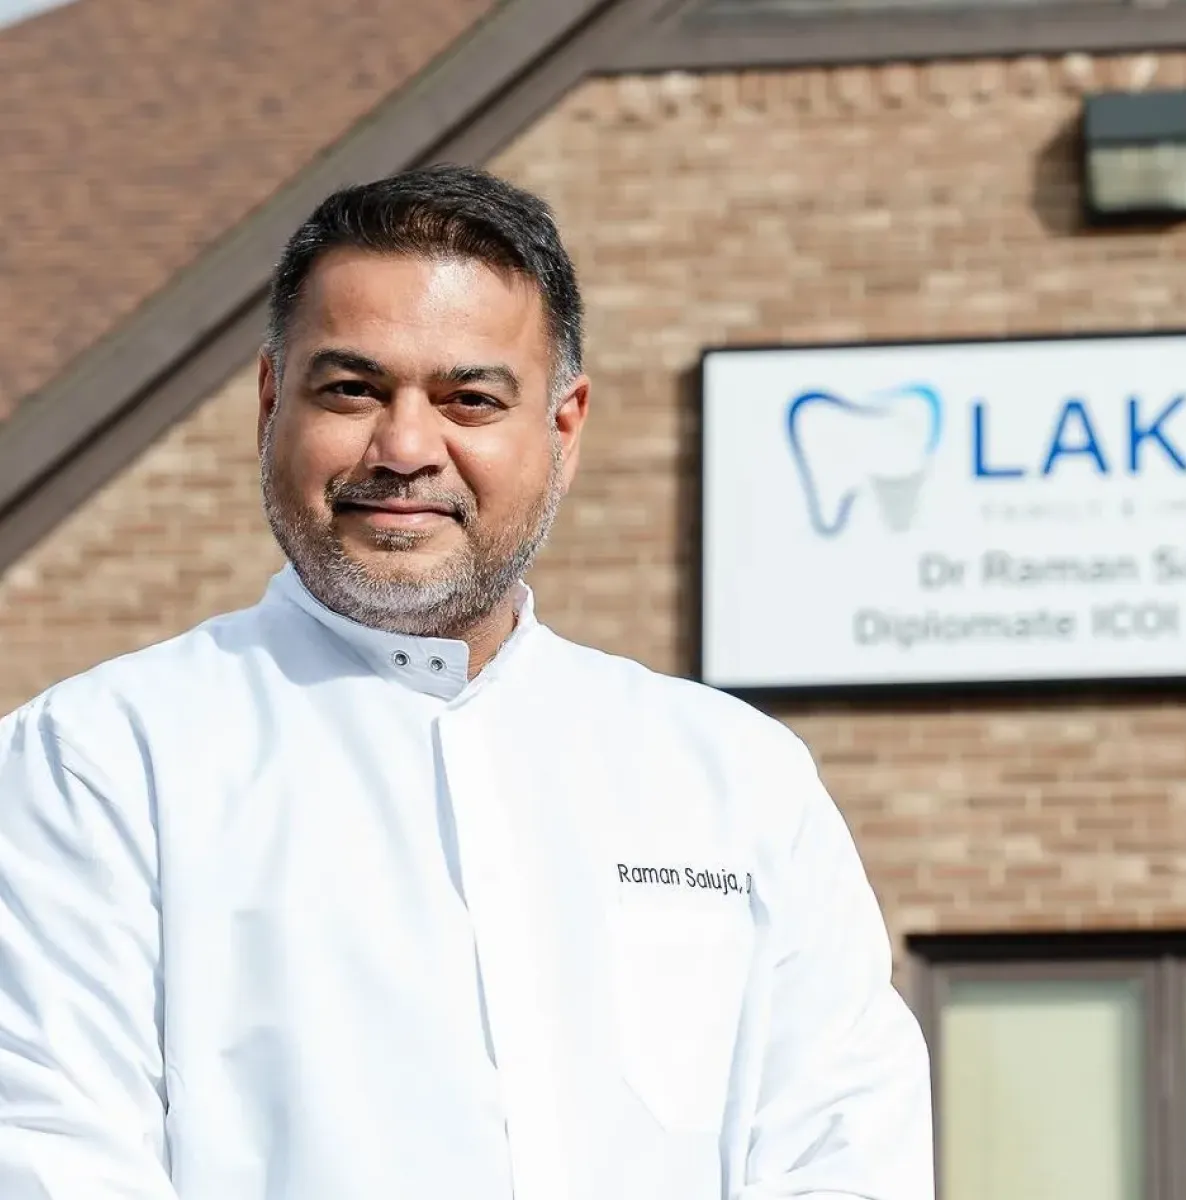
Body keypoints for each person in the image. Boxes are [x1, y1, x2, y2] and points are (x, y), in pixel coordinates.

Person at [0, 164, 933, 1200]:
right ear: (271, 403)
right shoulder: (94, 764)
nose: (404, 449)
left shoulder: (738, 780)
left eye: (469, 399)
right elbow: (52, 1153)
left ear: (564, 430)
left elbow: (842, 1152)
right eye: (352, 389)